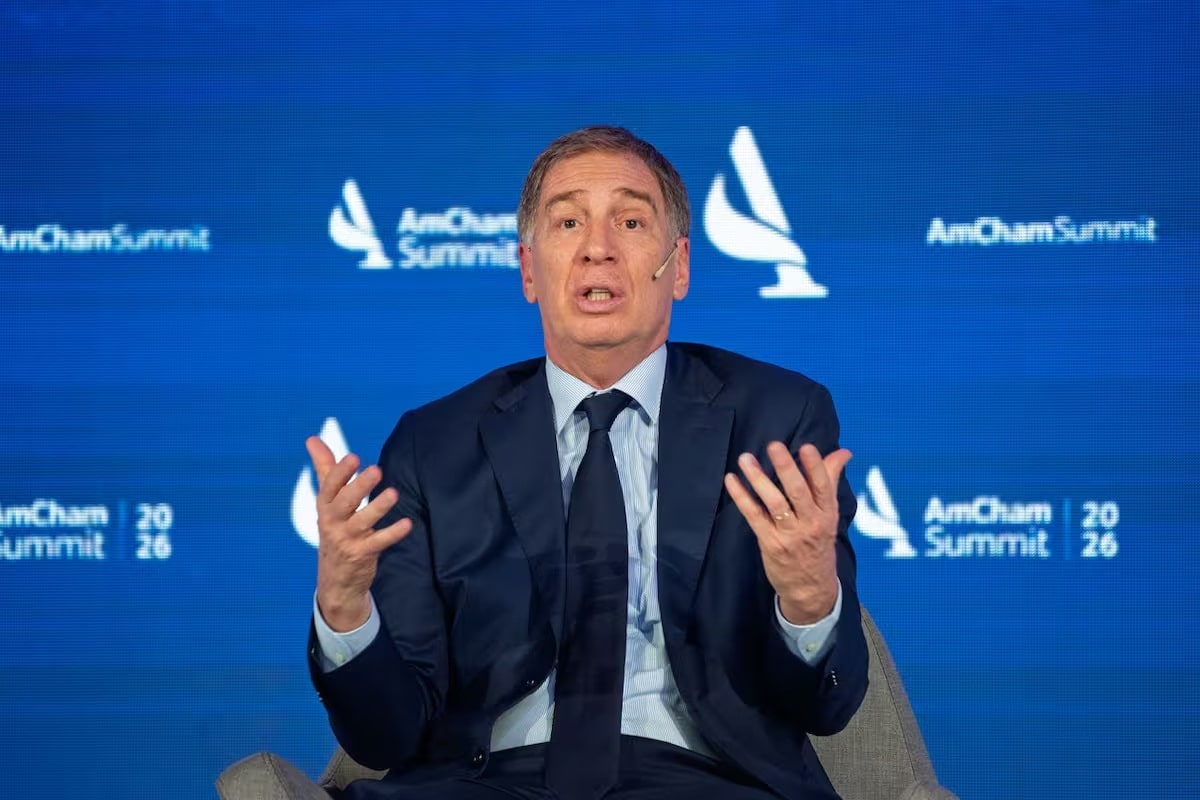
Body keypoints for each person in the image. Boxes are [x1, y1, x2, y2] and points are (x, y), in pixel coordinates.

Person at [304, 125, 868, 800]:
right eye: (568, 222)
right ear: (529, 270)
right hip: (483, 784)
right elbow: (385, 738)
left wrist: (808, 601)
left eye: (630, 221)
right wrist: (345, 612)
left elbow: (827, 706)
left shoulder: (777, 420)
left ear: (679, 267)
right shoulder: (433, 446)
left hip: (706, 780)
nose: (598, 248)